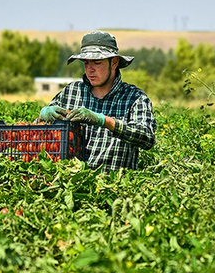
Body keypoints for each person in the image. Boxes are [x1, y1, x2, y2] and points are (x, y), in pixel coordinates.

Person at [39, 30, 156, 171]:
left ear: (114, 62)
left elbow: (147, 137)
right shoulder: (72, 92)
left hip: (113, 187)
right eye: (86, 63)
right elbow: (38, 134)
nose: (90, 69)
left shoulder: (134, 98)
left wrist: (104, 121)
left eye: (97, 63)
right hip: (71, 186)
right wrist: (43, 115)